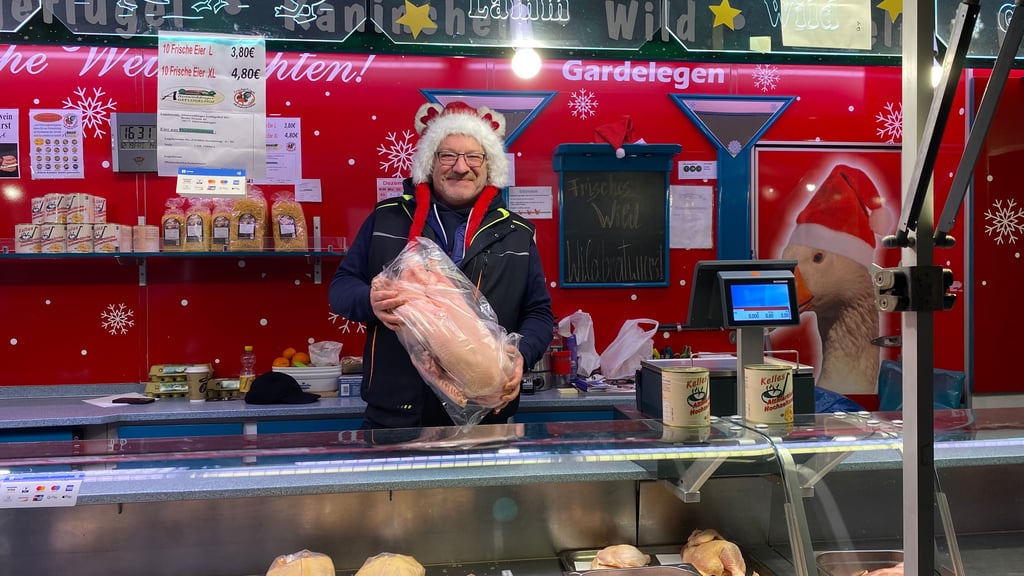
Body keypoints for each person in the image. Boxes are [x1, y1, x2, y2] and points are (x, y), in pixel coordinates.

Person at [329, 101, 554, 429]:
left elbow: (539, 313)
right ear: (429, 162)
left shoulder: (516, 233)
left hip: (485, 416)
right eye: (447, 155)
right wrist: (370, 301)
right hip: (395, 416)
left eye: (473, 156)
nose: (461, 167)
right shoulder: (387, 218)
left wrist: (522, 353)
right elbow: (341, 288)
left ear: (489, 165)